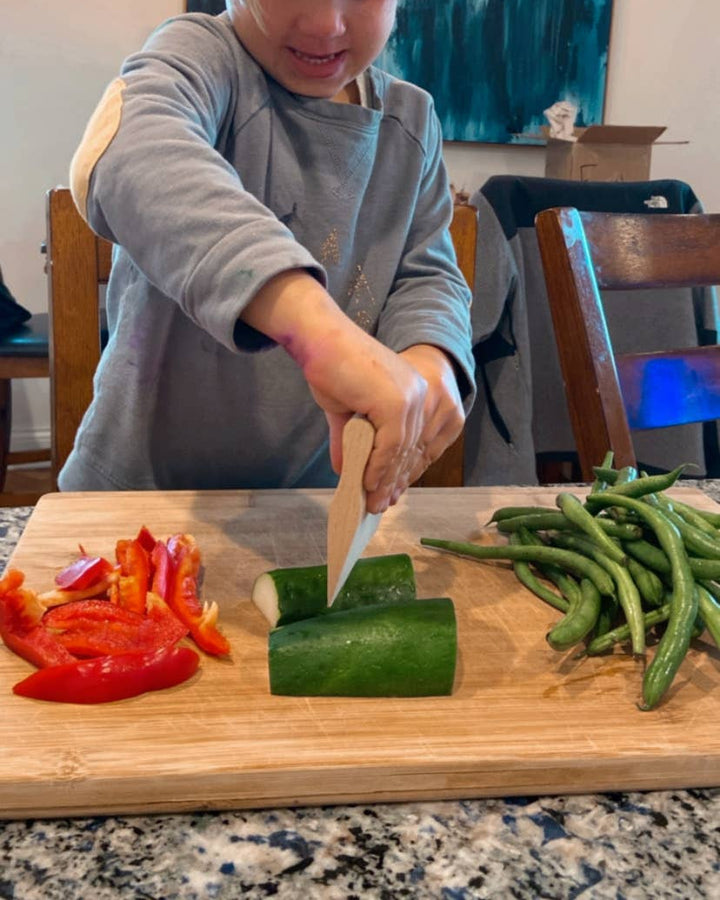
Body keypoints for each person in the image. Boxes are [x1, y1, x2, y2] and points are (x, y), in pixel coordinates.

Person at [63, 0, 475, 513]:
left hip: (314, 507)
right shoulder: (202, 56)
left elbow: (428, 274)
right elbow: (129, 150)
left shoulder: (413, 121)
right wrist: (317, 330)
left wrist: (430, 356)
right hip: (138, 501)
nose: (326, 25)